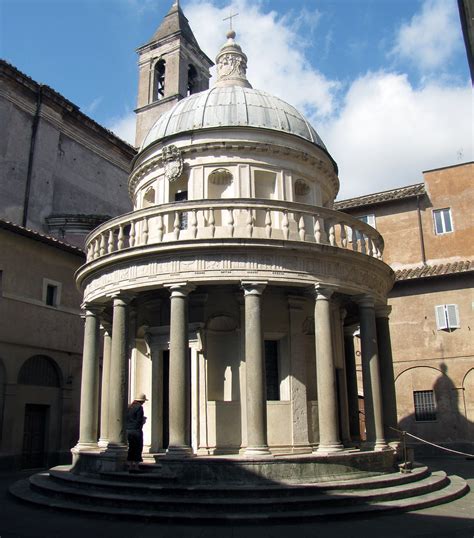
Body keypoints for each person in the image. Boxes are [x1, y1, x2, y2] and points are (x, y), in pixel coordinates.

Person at [126, 393, 148, 472]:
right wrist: (143, 421)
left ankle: (130, 465)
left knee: (131, 447)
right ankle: (136, 466)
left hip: (128, 430)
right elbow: (139, 420)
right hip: (136, 430)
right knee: (138, 447)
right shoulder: (139, 408)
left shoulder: (129, 407)